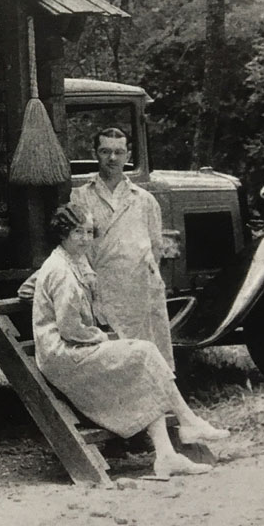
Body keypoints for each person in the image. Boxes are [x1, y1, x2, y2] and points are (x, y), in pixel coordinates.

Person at [32, 204, 229, 477]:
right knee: (144, 352)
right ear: (62, 233)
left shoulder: (71, 260)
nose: (86, 239)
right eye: (78, 232)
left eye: (89, 232)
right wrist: (100, 337)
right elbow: (69, 328)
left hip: (73, 347)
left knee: (142, 361)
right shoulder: (61, 269)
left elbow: (34, 289)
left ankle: (167, 454)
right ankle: (188, 421)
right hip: (64, 355)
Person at [71, 126, 174, 368]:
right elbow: (76, 250)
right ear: (95, 153)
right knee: (109, 359)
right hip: (101, 290)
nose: (112, 158)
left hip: (138, 292)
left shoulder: (144, 200)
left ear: (128, 155)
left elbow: (155, 248)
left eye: (119, 152)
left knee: (146, 356)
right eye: (105, 151)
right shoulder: (80, 198)